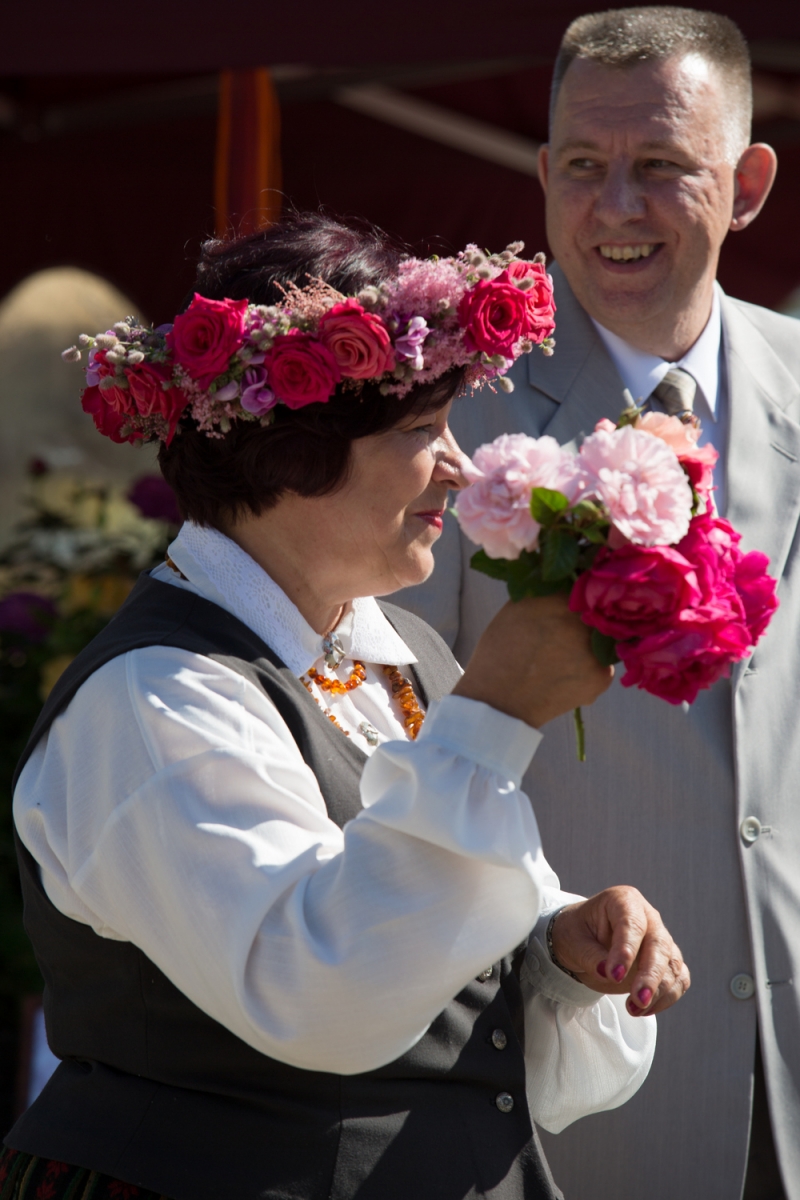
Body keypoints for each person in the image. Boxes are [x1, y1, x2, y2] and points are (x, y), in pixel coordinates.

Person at [2, 214, 690, 1200]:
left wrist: (556, 948)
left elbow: (448, 987)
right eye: (419, 430)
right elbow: (320, 989)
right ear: (289, 451)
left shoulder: (401, 652)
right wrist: (493, 715)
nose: (456, 466)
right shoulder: (155, 699)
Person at [395, 8, 800, 1200]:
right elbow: (389, 742)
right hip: (571, 1081)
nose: (613, 206)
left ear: (746, 184)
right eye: (582, 166)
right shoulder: (451, 423)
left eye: (661, 167)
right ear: (541, 177)